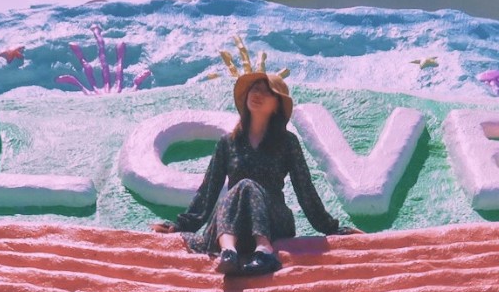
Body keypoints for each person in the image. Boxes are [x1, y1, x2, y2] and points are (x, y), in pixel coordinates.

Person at [151, 70, 355, 275]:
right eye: (255, 89)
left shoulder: (287, 142)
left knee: (246, 185)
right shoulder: (228, 143)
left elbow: (305, 189)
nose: (258, 94)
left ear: (277, 105)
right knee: (239, 190)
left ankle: (264, 250)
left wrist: (331, 228)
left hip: (273, 222)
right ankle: (228, 253)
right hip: (234, 225)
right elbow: (208, 191)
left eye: (267, 92)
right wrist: (181, 226)